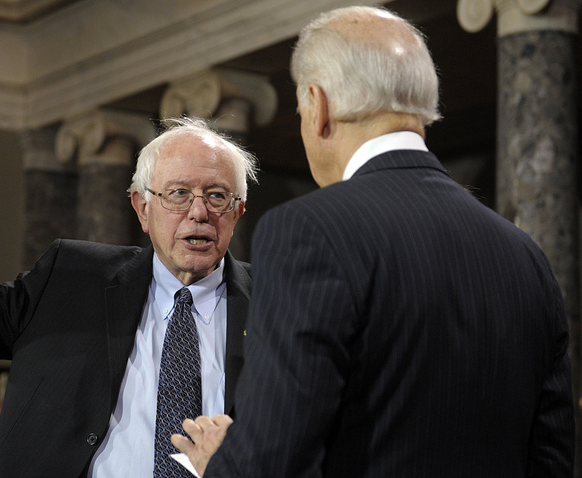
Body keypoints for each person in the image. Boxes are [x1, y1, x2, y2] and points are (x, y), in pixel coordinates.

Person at [172, 5, 575, 477]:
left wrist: (220, 464)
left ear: (318, 105)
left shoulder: (309, 231)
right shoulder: (526, 255)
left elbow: (271, 463)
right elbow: (552, 460)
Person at [0, 70, 257, 477]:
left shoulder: (278, 304)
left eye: (217, 196)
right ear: (143, 208)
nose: (199, 212)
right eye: (178, 194)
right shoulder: (71, 279)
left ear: (238, 212)